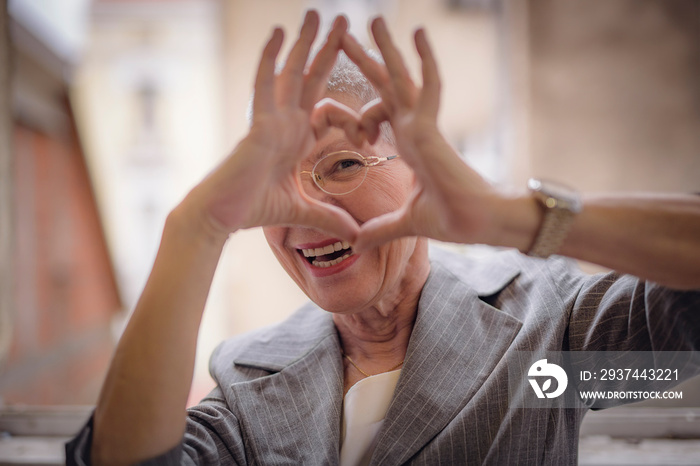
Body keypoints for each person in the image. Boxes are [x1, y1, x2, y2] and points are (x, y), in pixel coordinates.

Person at [67, 11, 700, 465]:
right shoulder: (248, 382)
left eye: (341, 166)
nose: (308, 213)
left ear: (417, 170)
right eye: (277, 188)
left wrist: (510, 217)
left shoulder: (544, 352)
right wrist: (194, 228)